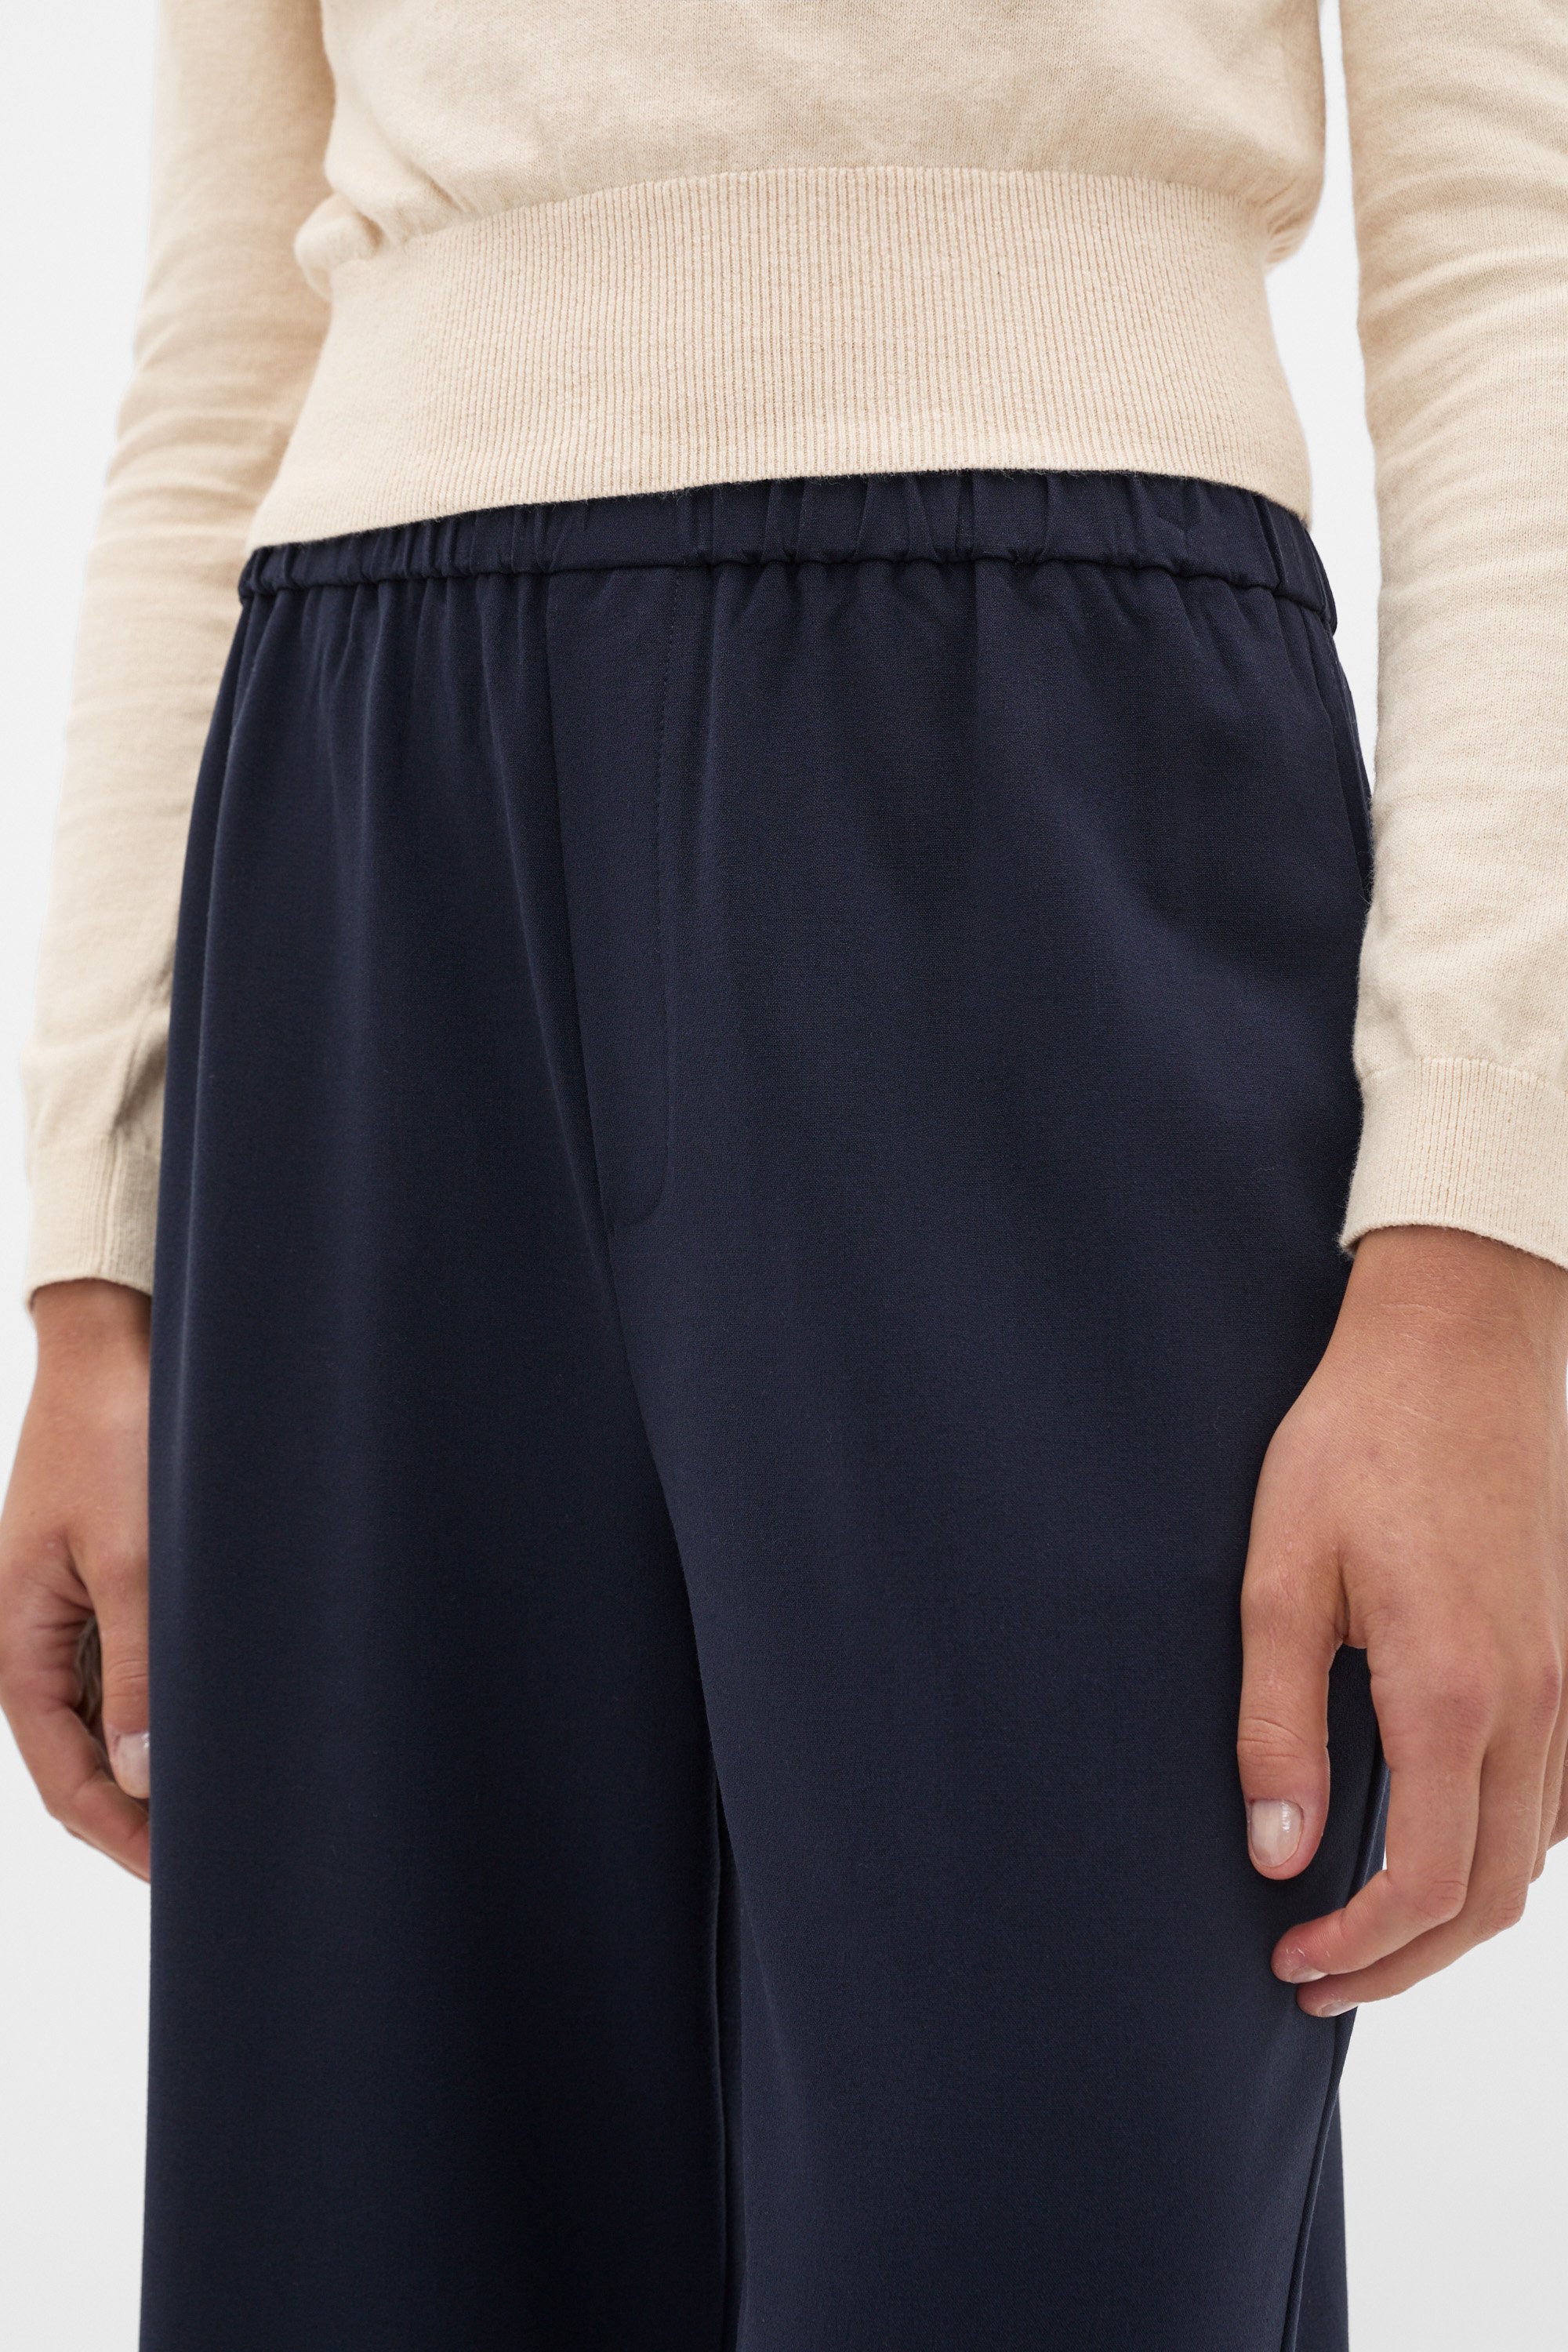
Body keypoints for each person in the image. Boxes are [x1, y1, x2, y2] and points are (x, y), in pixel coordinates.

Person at [2, 2, 1566, 2345]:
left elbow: (1520, 262)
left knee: (1044, 2243)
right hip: (368, 848)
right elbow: (227, 339)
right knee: (367, 2241)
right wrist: (96, 1264)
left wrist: (1479, 1242)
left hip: (1051, 786)